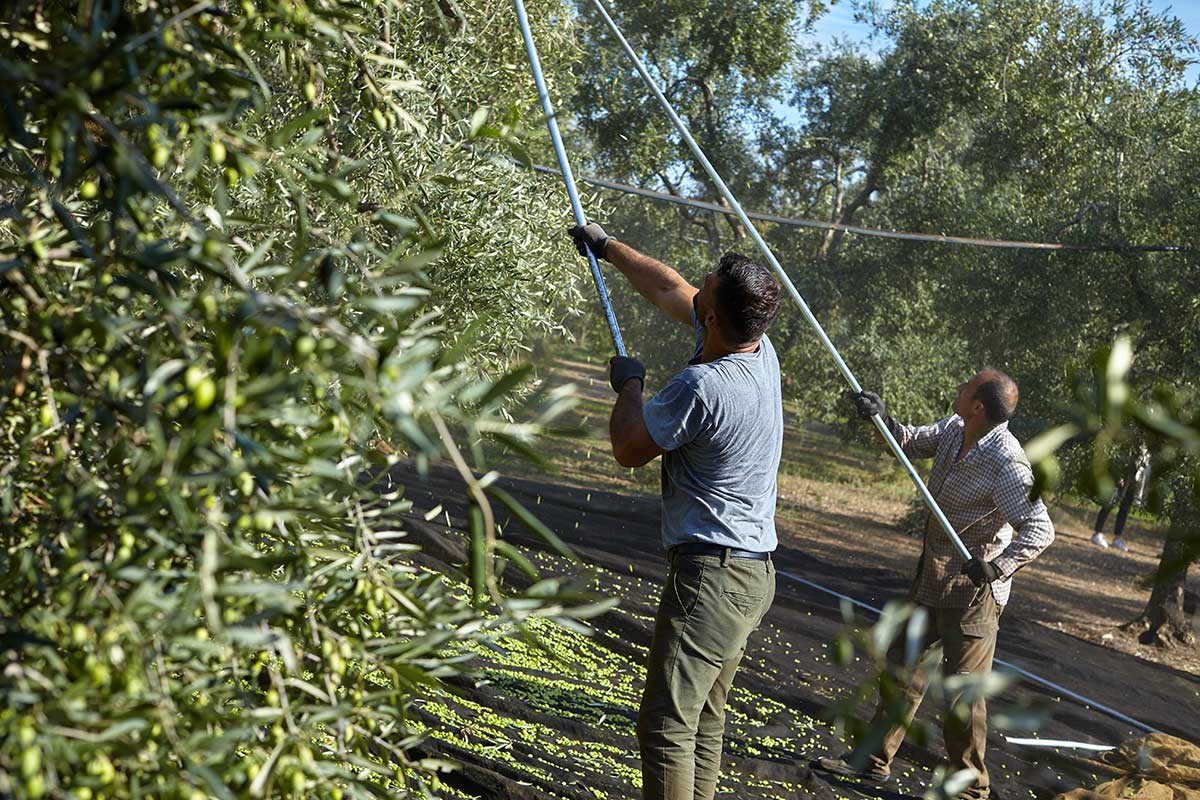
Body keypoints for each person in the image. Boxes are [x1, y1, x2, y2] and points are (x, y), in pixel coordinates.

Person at [569, 221, 783, 800]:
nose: (698, 286)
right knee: (704, 720)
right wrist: (609, 248)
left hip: (713, 576)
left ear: (714, 318)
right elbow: (669, 289)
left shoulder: (703, 386)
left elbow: (629, 448)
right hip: (752, 572)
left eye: (706, 287)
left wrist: (629, 386)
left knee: (665, 725)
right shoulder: (761, 351)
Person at [816, 370, 1055, 800]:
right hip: (933, 577)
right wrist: (880, 419)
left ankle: (970, 789)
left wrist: (998, 566)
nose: (959, 388)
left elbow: (1040, 529)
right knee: (902, 670)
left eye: (967, 387)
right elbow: (906, 441)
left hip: (973, 597)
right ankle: (871, 761)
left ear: (979, 405)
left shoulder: (1006, 461)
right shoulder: (953, 428)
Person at [1091, 478, 1127, 549]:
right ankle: (1097, 533)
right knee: (1108, 504)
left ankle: (1117, 538)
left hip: (1131, 477)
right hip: (1121, 475)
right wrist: (1119, 475)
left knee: (1125, 508)